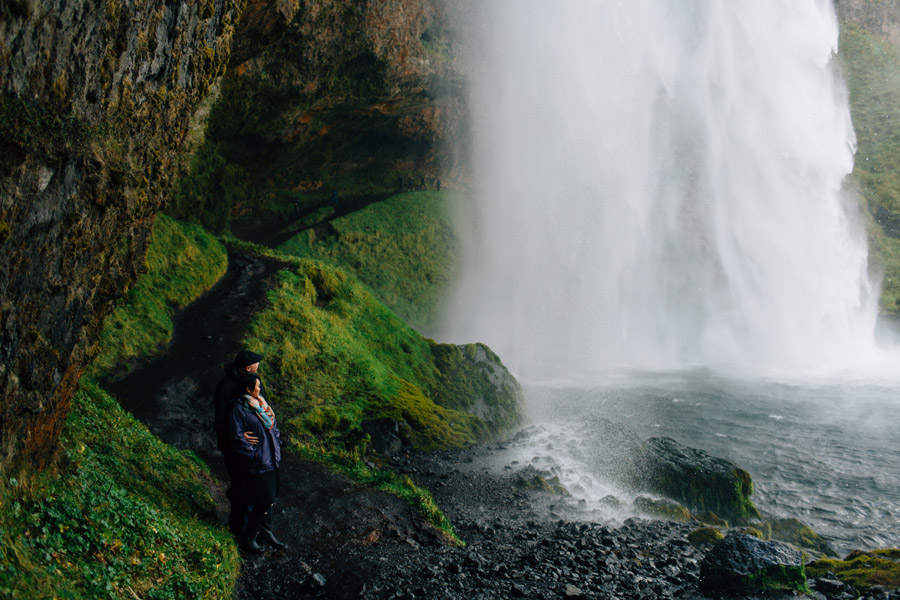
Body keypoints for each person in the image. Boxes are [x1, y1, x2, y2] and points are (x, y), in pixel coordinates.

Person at [230, 372, 284, 553]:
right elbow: (236, 437)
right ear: (247, 389)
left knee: (270, 498)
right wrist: (253, 453)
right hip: (259, 461)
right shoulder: (239, 408)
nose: (260, 389)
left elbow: (272, 426)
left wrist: (276, 442)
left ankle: (266, 533)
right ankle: (250, 537)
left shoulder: (261, 403)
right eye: (257, 386)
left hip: (271, 458)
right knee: (265, 499)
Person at [213, 350, 264, 536]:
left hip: (254, 445)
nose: (259, 366)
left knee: (253, 485)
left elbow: (263, 408)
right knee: (240, 485)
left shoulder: (254, 382)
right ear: (248, 368)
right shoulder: (226, 387)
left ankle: (251, 528)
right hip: (234, 447)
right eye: (256, 364)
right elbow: (221, 420)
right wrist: (237, 440)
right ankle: (237, 529)